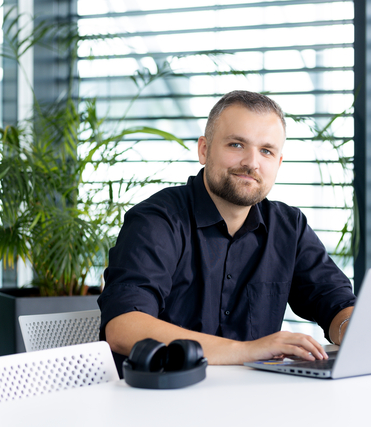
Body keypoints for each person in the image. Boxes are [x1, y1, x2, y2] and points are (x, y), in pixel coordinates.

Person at [98, 90, 356, 367]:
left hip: (252, 399)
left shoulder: (288, 227)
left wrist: (349, 329)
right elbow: (123, 327)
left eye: (266, 151)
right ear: (204, 150)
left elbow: (336, 304)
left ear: (278, 164)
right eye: (236, 145)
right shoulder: (157, 220)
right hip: (163, 398)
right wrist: (249, 350)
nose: (251, 163)